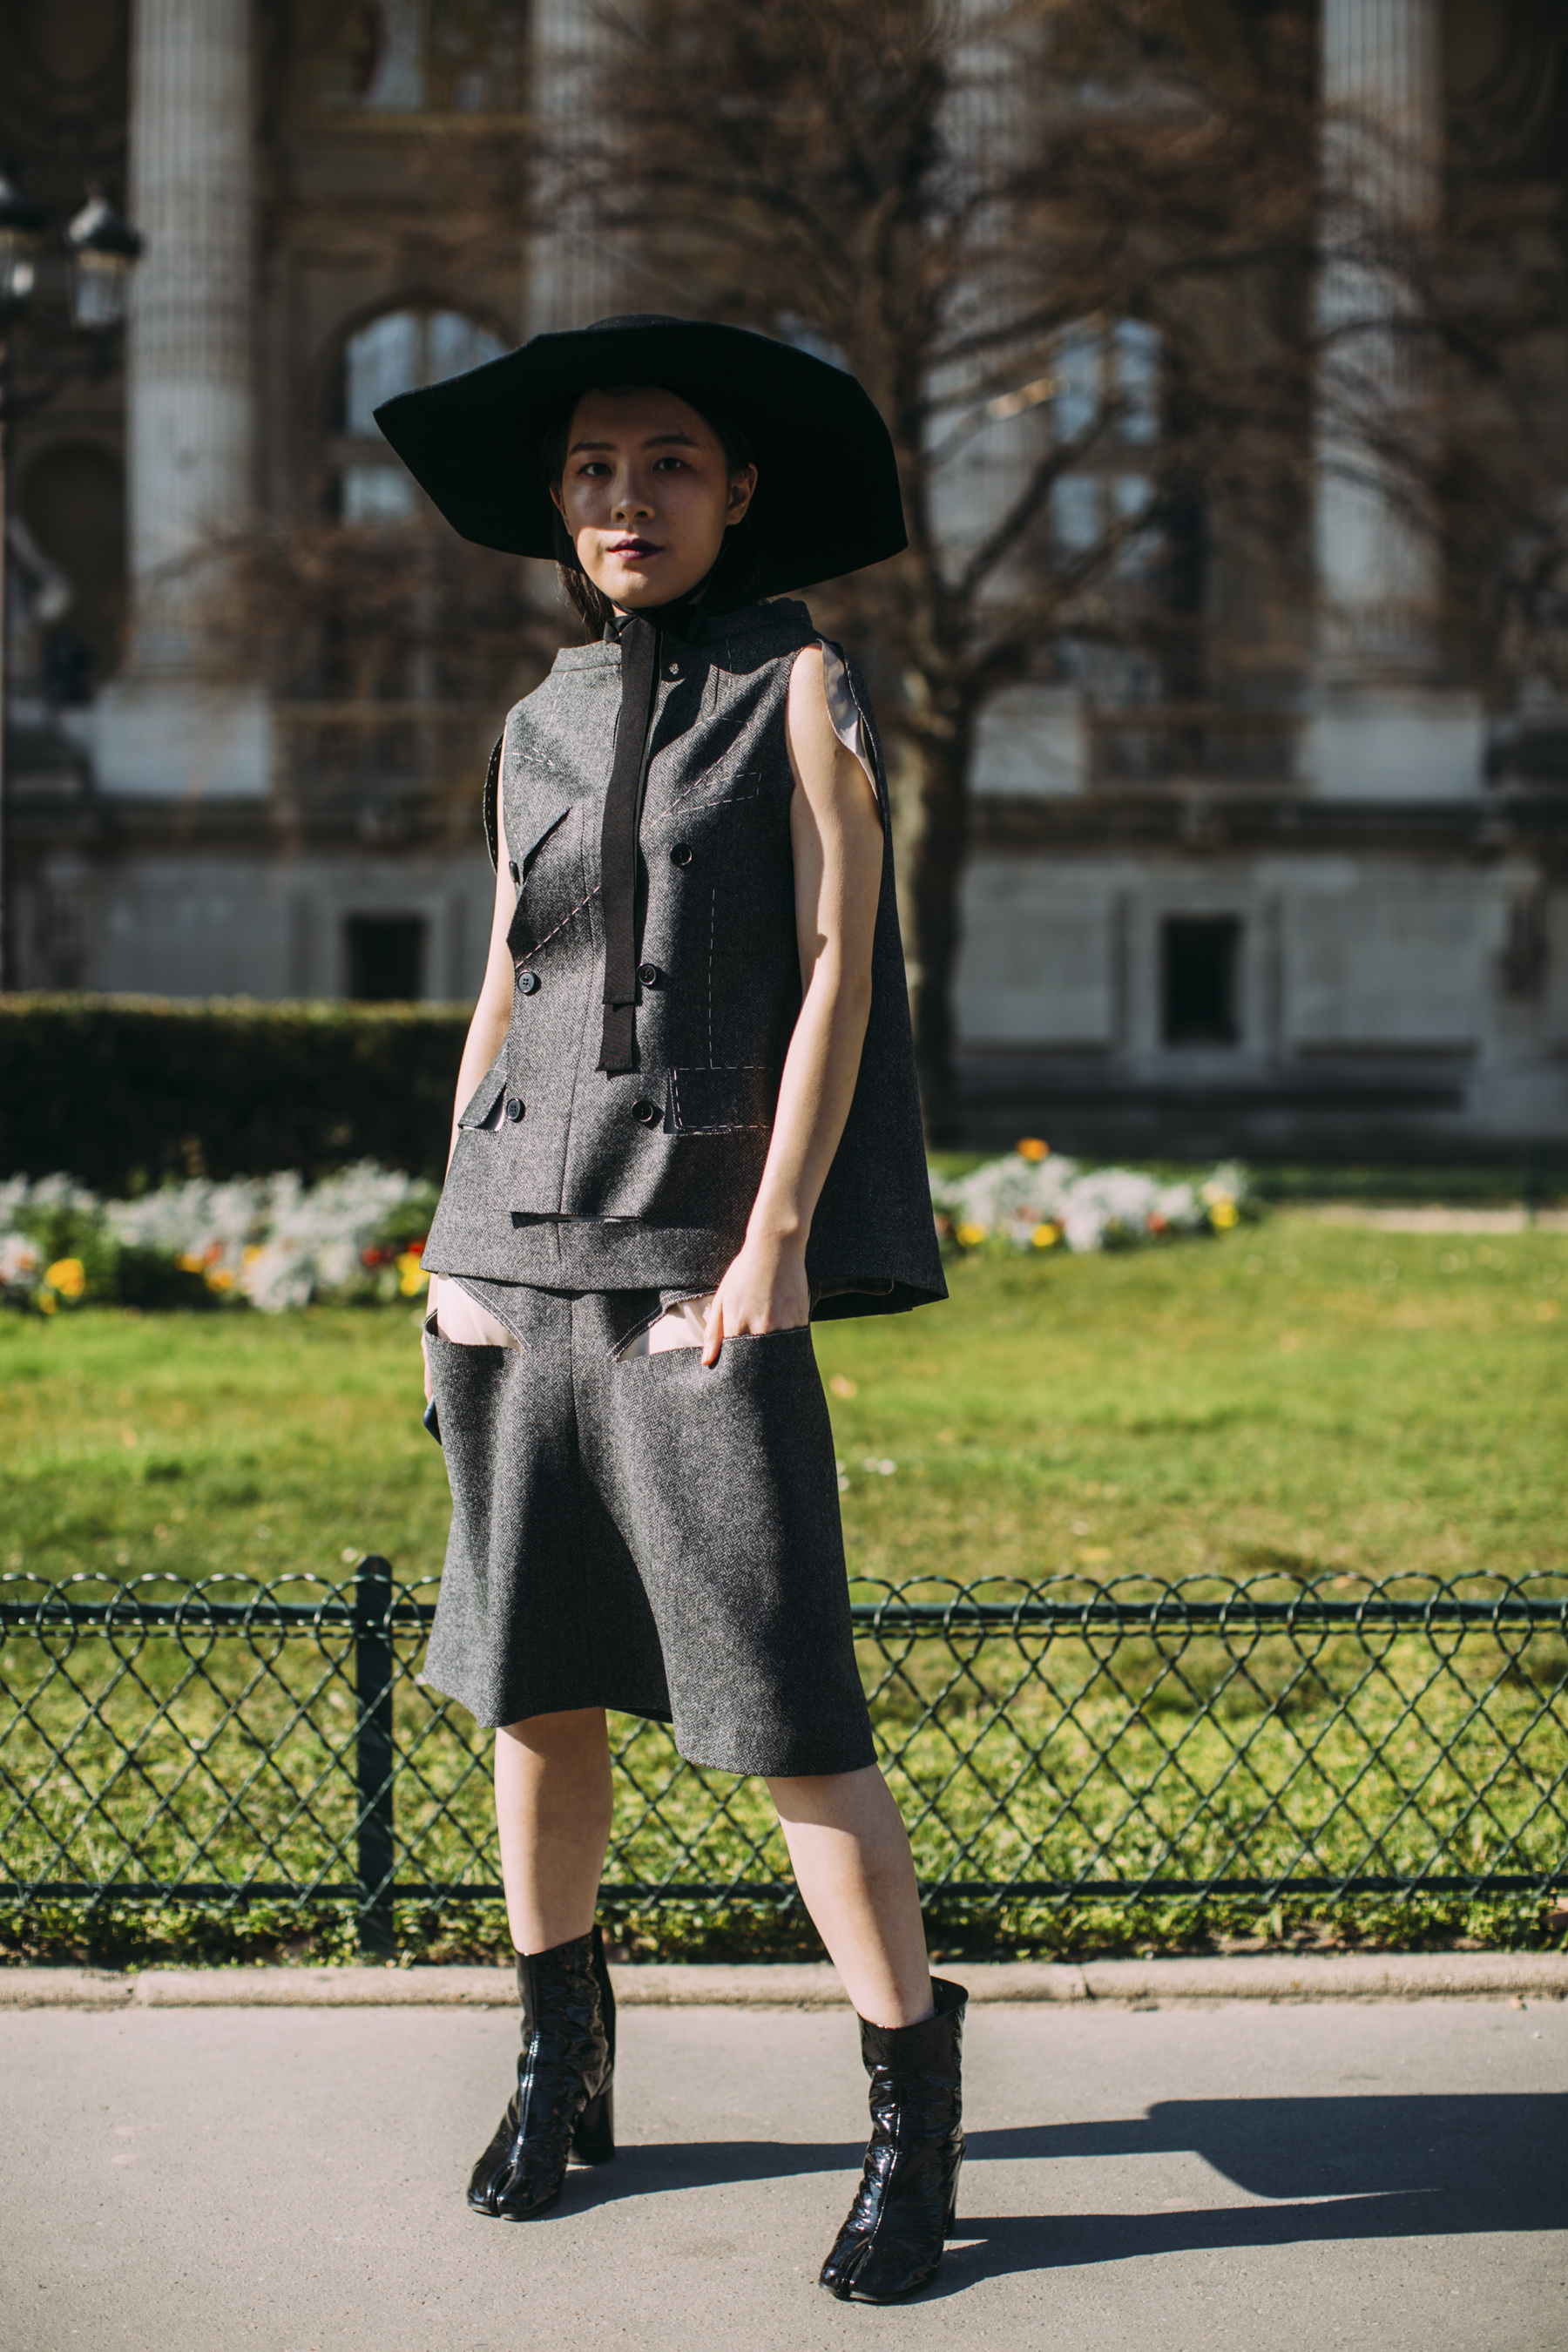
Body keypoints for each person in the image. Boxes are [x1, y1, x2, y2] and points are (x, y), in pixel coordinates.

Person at [375, 314, 961, 2302]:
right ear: (563, 506)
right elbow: (506, 981)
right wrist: (449, 1232)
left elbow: (833, 968)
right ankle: (563, 2051)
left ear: (740, 490)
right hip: (510, 1265)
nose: (627, 499)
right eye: (594, 471)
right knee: (533, 1691)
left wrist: (777, 1239)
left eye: (669, 464)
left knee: (790, 1708)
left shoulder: (803, 689)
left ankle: (911, 2106)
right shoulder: (533, 719)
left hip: (698, 1277)